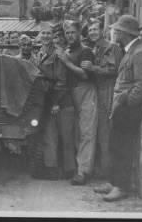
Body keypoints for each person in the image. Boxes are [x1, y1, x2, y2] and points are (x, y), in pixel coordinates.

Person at [94, 15, 142, 202]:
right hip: (121, 105)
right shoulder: (129, 51)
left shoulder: (139, 53)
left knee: (124, 147)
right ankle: (114, 181)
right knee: (116, 145)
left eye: (117, 30)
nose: (114, 32)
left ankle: (122, 187)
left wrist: (127, 102)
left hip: (128, 108)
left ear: (125, 33)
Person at [81, 19, 123, 178]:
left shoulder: (112, 48)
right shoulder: (95, 49)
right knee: (100, 132)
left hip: (109, 92)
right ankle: (103, 170)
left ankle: (110, 173)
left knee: (107, 133)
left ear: (102, 31)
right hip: (97, 92)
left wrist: (93, 68)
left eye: (95, 29)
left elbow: (114, 70)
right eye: (90, 30)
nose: (92, 32)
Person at [58, 20, 98, 185]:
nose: (70, 36)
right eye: (67, 33)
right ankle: (77, 167)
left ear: (80, 34)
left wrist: (66, 62)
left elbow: (84, 74)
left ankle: (83, 171)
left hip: (85, 90)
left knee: (86, 132)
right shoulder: (67, 50)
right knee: (75, 132)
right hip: (72, 92)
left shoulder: (86, 51)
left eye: (73, 32)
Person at [36, 24, 76, 180]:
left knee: (66, 137)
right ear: (39, 36)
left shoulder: (58, 54)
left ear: (53, 37)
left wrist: (56, 102)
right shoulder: (39, 53)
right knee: (49, 136)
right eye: (43, 33)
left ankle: (69, 170)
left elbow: (61, 81)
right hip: (47, 100)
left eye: (49, 34)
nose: (45, 36)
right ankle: (51, 169)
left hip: (61, 100)